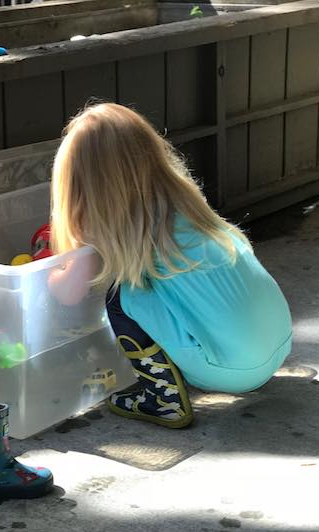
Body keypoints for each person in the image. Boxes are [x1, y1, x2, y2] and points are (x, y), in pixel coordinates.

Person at [49, 103, 292, 429]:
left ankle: (161, 398)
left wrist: (52, 274)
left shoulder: (101, 227)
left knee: (122, 298)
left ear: (82, 184)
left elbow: (67, 294)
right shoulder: (185, 204)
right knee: (154, 288)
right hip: (277, 347)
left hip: (233, 370)